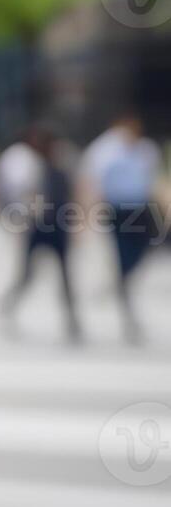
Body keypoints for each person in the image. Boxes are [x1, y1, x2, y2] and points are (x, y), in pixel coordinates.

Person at [0, 124, 81, 343]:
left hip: (58, 227)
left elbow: (71, 195)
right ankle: (7, 308)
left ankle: (72, 320)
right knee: (27, 274)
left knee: (65, 276)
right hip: (39, 225)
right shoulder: (31, 165)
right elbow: (25, 194)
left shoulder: (60, 168)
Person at [89, 113, 161, 344]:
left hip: (141, 209)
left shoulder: (145, 150)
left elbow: (152, 181)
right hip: (118, 210)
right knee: (122, 255)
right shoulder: (105, 150)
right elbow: (92, 181)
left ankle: (121, 280)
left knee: (146, 250)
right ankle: (127, 309)